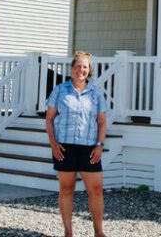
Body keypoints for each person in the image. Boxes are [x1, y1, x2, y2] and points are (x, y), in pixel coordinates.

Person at [45, 51, 108, 237]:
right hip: (64, 147)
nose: (81, 70)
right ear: (72, 68)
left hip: (89, 148)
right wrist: (54, 145)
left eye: (85, 67)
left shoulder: (96, 93)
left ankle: (99, 232)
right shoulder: (59, 90)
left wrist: (99, 145)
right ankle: (68, 232)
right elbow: (49, 119)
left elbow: (102, 122)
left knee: (96, 190)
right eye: (78, 66)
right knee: (66, 189)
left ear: (89, 71)